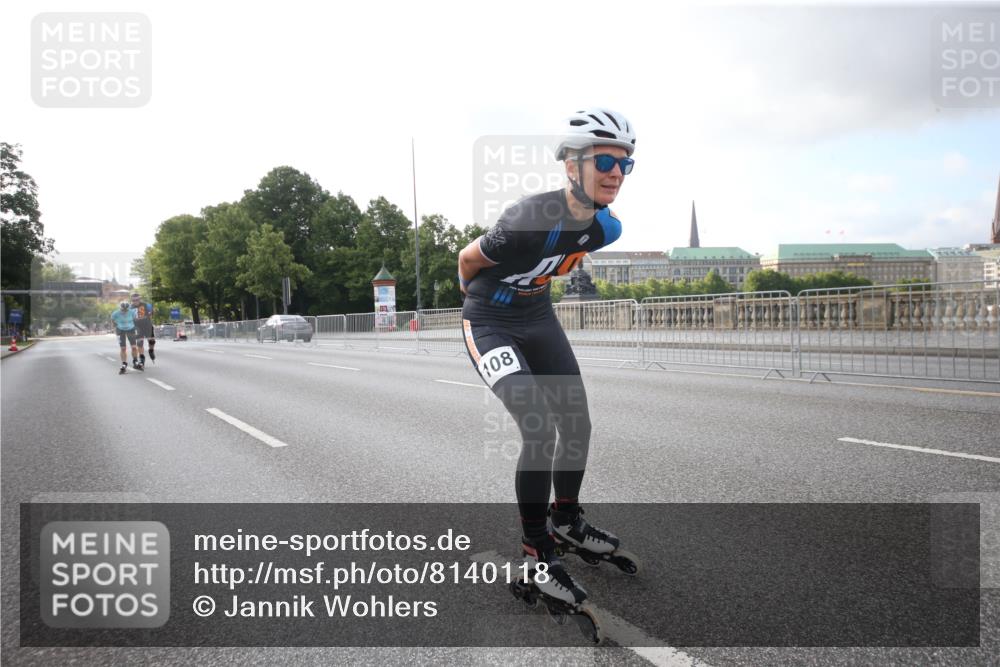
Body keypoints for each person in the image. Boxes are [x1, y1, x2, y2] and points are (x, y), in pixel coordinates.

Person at [457, 108, 635, 607]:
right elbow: (467, 262)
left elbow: (560, 264)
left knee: (576, 422)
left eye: (626, 164)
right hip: (490, 321)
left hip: (537, 318)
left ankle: (566, 519)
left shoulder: (608, 229)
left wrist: (529, 293)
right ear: (570, 165)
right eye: (604, 161)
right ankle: (536, 550)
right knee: (539, 427)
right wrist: (484, 307)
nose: (615, 174)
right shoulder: (523, 221)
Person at [111, 300, 139, 374]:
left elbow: (135, 319)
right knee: (123, 348)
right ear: (120, 308)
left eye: (126, 309)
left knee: (134, 347)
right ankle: (124, 363)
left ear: (128, 308)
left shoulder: (132, 312)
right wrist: (116, 329)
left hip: (131, 329)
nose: (125, 311)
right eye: (123, 309)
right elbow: (113, 321)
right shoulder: (115, 313)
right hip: (120, 330)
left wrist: (136, 328)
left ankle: (135, 361)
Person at [130, 292, 155, 368]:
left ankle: (151, 350)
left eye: (137, 300)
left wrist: (150, 314)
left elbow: (152, 312)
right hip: (137, 327)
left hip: (147, 326)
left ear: (140, 299)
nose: (135, 301)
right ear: (132, 300)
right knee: (140, 343)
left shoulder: (146, 305)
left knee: (152, 341)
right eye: (134, 300)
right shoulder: (130, 308)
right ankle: (142, 359)